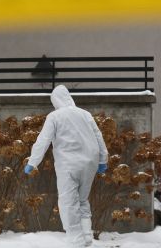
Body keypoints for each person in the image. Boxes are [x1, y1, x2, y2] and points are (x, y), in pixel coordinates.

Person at [24, 85, 108, 248]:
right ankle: (86, 235)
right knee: (82, 199)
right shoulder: (85, 114)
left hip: (68, 164)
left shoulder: (55, 116)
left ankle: (75, 241)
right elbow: (98, 136)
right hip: (90, 162)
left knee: (68, 201)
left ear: (55, 101)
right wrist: (103, 160)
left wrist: (33, 162)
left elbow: (43, 141)